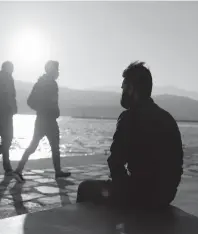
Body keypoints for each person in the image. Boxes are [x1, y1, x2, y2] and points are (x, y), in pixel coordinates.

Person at [76, 61, 184, 210]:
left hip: (140, 197)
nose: (122, 92)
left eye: (124, 87)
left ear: (132, 89)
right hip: (166, 196)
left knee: (85, 188)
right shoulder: (167, 118)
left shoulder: (130, 117)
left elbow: (115, 162)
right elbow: (177, 165)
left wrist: (122, 191)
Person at [14, 60, 71, 182]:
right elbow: (30, 101)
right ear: (52, 70)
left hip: (48, 119)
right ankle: (18, 170)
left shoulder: (48, 83)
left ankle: (57, 172)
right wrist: (43, 109)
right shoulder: (43, 83)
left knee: (53, 147)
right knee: (36, 146)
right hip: (44, 120)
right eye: (57, 69)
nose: (58, 72)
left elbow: (39, 101)